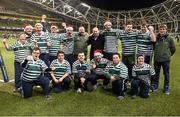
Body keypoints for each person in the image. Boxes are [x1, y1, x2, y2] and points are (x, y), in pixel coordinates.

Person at [153, 24, 176, 95]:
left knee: (166, 74)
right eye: (161, 29)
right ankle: (155, 85)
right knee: (156, 74)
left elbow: (173, 49)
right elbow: (154, 47)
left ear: (166, 30)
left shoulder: (170, 38)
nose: (162, 30)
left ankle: (166, 87)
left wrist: (168, 55)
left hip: (166, 60)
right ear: (159, 30)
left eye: (163, 29)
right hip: (157, 60)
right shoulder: (156, 38)